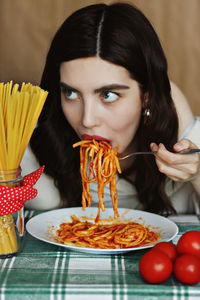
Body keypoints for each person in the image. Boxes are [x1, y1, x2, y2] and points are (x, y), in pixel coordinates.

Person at [22, 2, 200, 215]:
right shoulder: (29, 146)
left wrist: (197, 176)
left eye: (108, 95)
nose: (87, 120)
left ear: (146, 97)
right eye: (71, 93)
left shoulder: (184, 141)